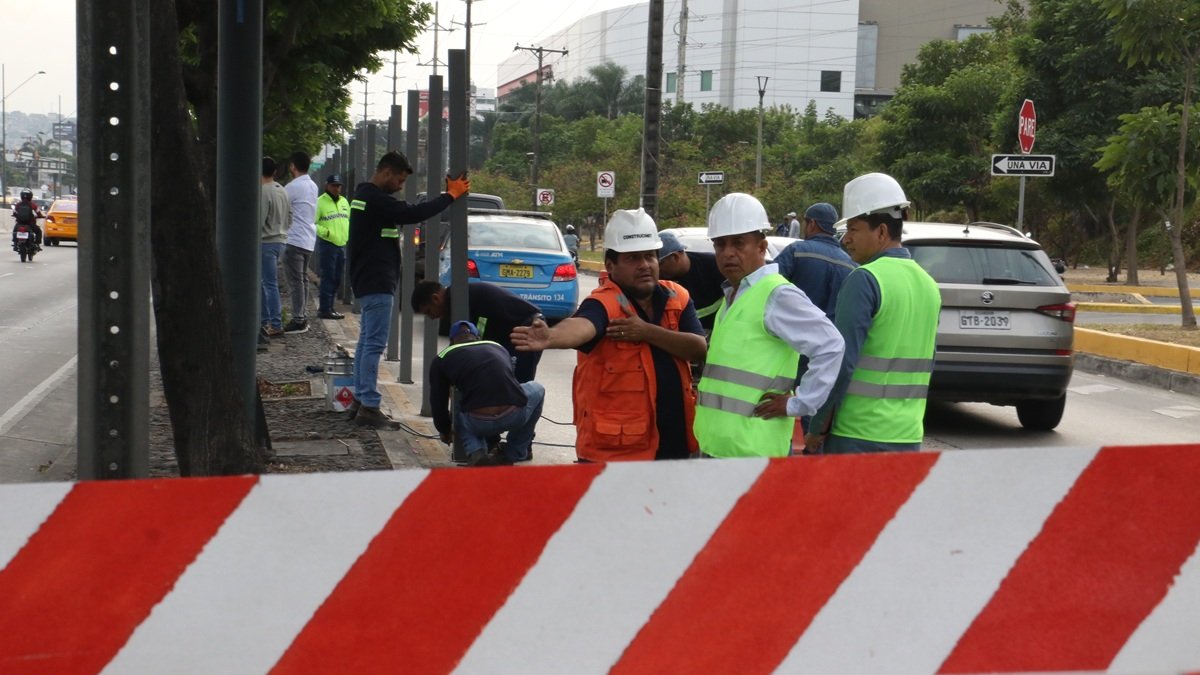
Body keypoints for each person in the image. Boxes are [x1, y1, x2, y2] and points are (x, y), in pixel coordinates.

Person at [511, 208, 707, 462]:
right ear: (610, 265)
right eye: (633, 258)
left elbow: (697, 348)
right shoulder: (603, 303)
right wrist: (551, 337)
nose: (644, 265)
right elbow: (583, 326)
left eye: (649, 256)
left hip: (674, 446)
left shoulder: (677, 297)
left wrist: (646, 331)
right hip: (614, 453)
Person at [693, 192, 845, 458]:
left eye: (739, 243)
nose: (728, 253)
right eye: (720, 244)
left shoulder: (776, 294)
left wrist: (800, 403)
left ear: (762, 248)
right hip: (718, 449)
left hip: (754, 455)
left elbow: (831, 345)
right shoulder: (734, 295)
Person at [806, 173, 941, 455]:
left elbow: (841, 363)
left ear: (881, 232)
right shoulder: (929, 284)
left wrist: (817, 427)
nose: (846, 240)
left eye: (854, 229)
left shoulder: (864, 279)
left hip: (856, 435)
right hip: (908, 436)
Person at [348, 151, 469, 429]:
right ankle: (368, 404)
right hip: (376, 281)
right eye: (399, 180)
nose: (400, 186)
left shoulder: (364, 197)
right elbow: (413, 213)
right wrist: (449, 196)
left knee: (367, 343)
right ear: (387, 172)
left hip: (369, 279)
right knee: (374, 345)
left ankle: (360, 399)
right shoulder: (375, 199)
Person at [430, 320, 546, 466]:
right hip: (514, 415)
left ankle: (476, 452)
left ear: (452, 341)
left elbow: (438, 401)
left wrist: (445, 429)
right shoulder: (497, 346)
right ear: (477, 337)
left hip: (478, 422)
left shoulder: (442, 357)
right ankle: (513, 453)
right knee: (538, 389)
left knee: (458, 405)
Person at [412, 280, 545, 382]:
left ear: (436, 298)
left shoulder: (460, 301)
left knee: (519, 384)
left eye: (429, 312)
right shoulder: (458, 298)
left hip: (529, 327)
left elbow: (467, 343)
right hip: (513, 332)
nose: (432, 317)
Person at [775, 202, 856, 319]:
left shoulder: (796, 251)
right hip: (831, 335)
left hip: (791, 332)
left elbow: (768, 284)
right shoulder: (851, 265)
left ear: (812, 223)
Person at [656, 231, 725, 333]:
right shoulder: (659, 280)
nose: (657, 269)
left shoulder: (713, 265)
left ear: (675, 257)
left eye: (660, 264)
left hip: (717, 329)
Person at [283, 151, 319, 334]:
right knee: (302, 279)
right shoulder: (313, 186)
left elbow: (282, 207)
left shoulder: (292, 187)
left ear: (293, 166)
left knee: (296, 281)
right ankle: (302, 316)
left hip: (294, 238)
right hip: (308, 240)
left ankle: (299, 319)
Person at [260, 157, 291, 342]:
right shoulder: (282, 190)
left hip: (266, 241)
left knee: (268, 284)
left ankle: (275, 323)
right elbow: (290, 215)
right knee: (267, 283)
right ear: (275, 172)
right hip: (281, 241)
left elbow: (260, 218)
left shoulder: (264, 191)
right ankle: (266, 321)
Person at [315, 174, 350, 320]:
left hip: (341, 244)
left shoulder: (344, 202)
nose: (336, 188)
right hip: (328, 244)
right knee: (328, 277)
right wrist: (326, 233)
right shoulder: (320, 202)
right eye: (333, 185)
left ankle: (330, 307)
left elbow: (348, 220)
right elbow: (314, 223)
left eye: (338, 186)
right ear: (327, 185)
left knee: (336, 278)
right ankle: (324, 309)